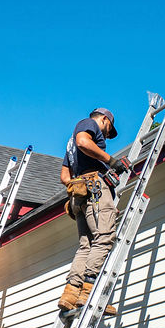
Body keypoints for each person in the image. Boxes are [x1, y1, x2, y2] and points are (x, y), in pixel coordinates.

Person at [57, 107, 127, 315]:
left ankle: (70, 294)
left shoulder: (69, 145)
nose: (106, 135)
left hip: (80, 194)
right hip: (95, 189)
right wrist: (110, 162)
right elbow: (84, 142)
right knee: (104, 237)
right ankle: (89, 294)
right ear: (104, 119)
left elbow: (64, 177)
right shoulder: (88, 125)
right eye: (108, 130)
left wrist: (81, 185)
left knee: (86, 245)